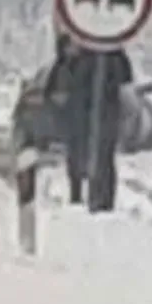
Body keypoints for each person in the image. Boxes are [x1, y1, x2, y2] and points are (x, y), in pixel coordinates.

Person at [66, 44, 134, 213]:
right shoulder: (77, 55)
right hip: (81, 117)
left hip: (103, 117)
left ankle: (103, 201)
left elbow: (126, 86)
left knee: (103, 157)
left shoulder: (115, 56)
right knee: (80, 155)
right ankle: (80, 196)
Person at [43, 35, 85, 204]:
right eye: (68, 46)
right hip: (69, 120)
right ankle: (76, 194)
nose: (71, 50)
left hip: (85, 118)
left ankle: (85, 191)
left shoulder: (84, 65)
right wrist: (57, 102)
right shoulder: (59, 68)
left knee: (85, 157)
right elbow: (49, 93)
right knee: (74, 158)